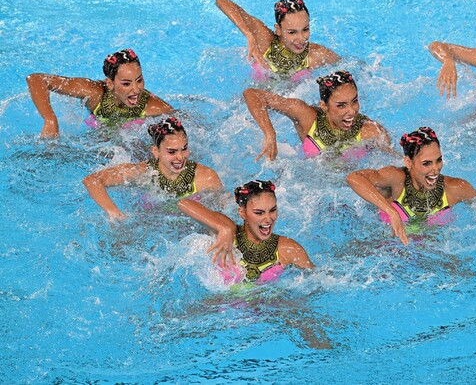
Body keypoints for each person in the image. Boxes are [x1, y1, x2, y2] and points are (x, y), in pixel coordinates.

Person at [346, 126, 476, 245]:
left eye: (438, 160)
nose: (435, 169)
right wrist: (391, 212)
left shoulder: (455, 188)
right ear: (408, 162)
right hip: (386, 247)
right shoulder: (396, 179)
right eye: (426, 163)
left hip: (429, 253)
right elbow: (354, 178)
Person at [82, 117, 224, 221]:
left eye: (184, 149)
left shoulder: (206, 177)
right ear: (156, 152)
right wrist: (114, 212)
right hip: (151, 221)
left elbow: (221, 208)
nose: (180, 157)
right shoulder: (143, 172)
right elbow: (92, 180)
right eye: (172, 152)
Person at [177, 180, 314, 283]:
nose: (268, 219)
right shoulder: (229, 230)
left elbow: (316, 283)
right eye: (259, 213)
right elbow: (184, 203)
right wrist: (224, 228)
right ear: (242, 213)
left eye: (272, 210)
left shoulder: (288, 248)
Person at [243, 70, 392, 160]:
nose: (352, 111)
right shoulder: (306, 117)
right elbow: (252, 94)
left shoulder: (371, 131)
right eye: (341, 105)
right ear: (324, 106)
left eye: (354, 101)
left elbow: (393, 162)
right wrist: (269, 133)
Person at [26, 48, 173, 137]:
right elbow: (36, 79)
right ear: (110, 83)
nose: (136, 90)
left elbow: (180, 121)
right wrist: (50, 119)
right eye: (126, 84)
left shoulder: (152, 106)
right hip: (96, 134)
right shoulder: (95, 92)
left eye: (139, 80)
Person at [215, 0, 339, 82]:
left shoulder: (317, 54)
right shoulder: (266, 41)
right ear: (278, 30)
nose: (301, 39)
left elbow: (349, 67)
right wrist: (249, 34)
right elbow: (221, 1)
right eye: (292, 32)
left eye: (305, 30)